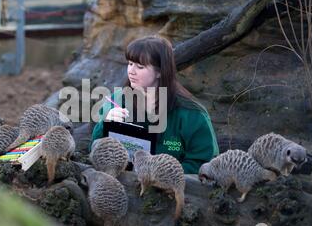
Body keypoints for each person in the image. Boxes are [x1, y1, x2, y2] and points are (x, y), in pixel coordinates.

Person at [90, 35, 219, 174]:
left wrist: (160, 175)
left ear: (160, 72)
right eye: (130, 63)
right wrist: (105, 124)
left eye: (140, 66)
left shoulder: (191, 114)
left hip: (171, 188)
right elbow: (95, 149)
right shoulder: (116, 100)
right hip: (120, 180)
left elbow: (203, 162)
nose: (131, 71)